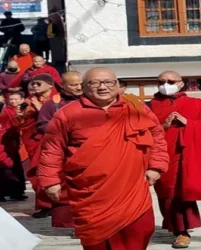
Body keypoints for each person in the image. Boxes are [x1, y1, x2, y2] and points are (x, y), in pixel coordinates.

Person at [37, 67, 169, 250]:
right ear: (83, 87)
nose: (102, 87)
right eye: (94, 83)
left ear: (117, 85)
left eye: (108, 82)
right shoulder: (67, 113)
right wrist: (50, 180)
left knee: (140, 230)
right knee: (97, 237)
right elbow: (52, 148)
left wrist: (156, 166)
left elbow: (157, 137)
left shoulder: (136, 107)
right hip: (91, 190)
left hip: (132, 186)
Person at [150, 70, 201, 248]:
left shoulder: (198, 104)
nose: (166, 84)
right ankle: (175, 226)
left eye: (171, 81)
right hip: (164, 156)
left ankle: (183, 231)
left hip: (189, 155)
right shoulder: (150, 106)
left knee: (185, 192)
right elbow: (143, 132)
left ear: (181, 84)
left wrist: (190, 123)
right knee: (167, 193)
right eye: (161, 81)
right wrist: (163, 126)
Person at [36, 71, 83, 230]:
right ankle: (68, 224)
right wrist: (64, 128)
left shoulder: (90, 99)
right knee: (64, 190)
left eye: (80, 84)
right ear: (62, 86)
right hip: (62, 152)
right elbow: (41, 125)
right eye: (73, 85)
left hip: (86, 152)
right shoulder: (53, 103)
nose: (78, 88)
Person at [13, 73, 58, 218]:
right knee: (35, 173)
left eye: (38, 83)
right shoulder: (29, 101)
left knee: (48, 172)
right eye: (32, 84)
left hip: (51, 141)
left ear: (50, 85)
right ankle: (45, 205)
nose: (34, 86)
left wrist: (41, 109)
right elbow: (20, 124)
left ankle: (56, 204)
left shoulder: (57, 100)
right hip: (32, 141)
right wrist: (20, 116)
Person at [0, 92, 27, 202]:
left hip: (11, 142)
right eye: (11, 99)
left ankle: (16, 192)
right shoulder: (6, 111)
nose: (13, 102)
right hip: (4, 142)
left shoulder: (23, 109)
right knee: (5, 169)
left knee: (14, 168)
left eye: (16, 99)